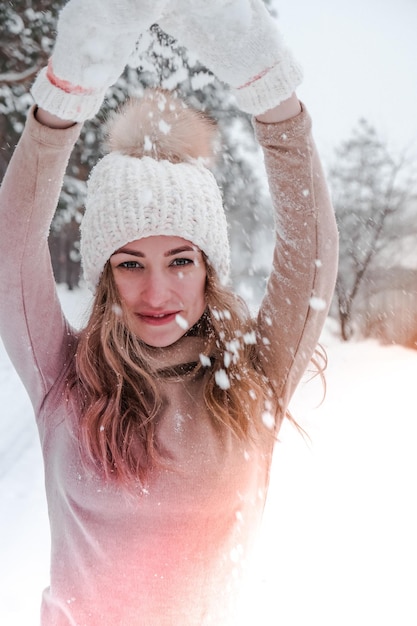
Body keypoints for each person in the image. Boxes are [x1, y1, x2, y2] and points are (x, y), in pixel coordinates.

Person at [0, 0, 338, 624]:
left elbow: (311, 251)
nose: (157, 293)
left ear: (210, 268)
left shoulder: (252, 378)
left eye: (180, 261)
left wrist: (269, 88)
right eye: (130, 264)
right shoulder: (64, 378)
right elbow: (12, 243)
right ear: (105, 277)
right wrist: (65, 96)